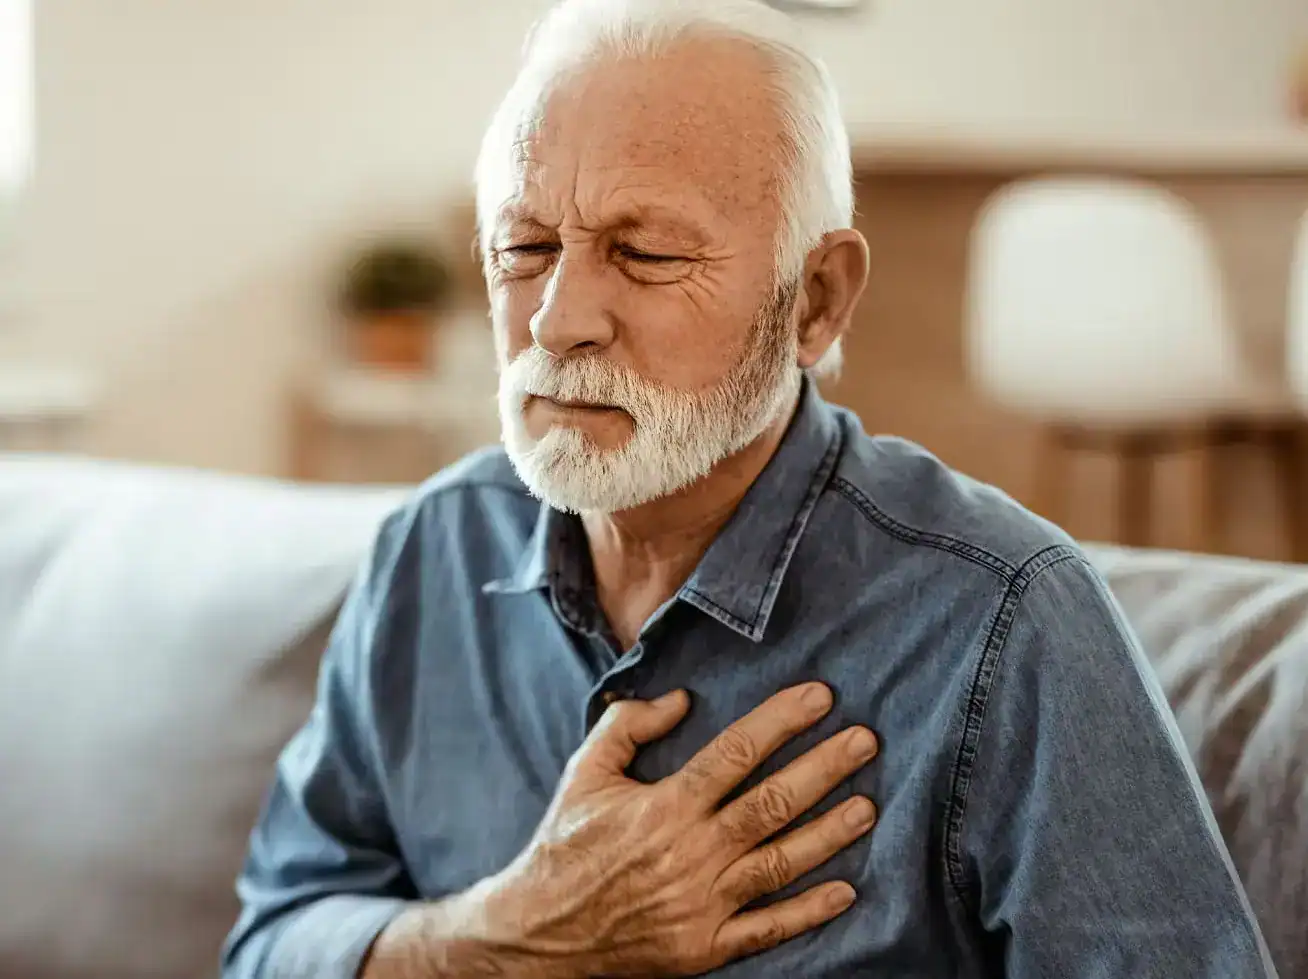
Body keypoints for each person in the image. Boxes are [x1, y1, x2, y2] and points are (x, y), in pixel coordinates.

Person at [221, 1, 1279, 976]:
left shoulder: (1004, 623)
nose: (555, 320)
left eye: (641, 254)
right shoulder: (429, 554)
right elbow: (271, 937)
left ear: (816, 301)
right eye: (526, 247)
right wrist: (501, 935)